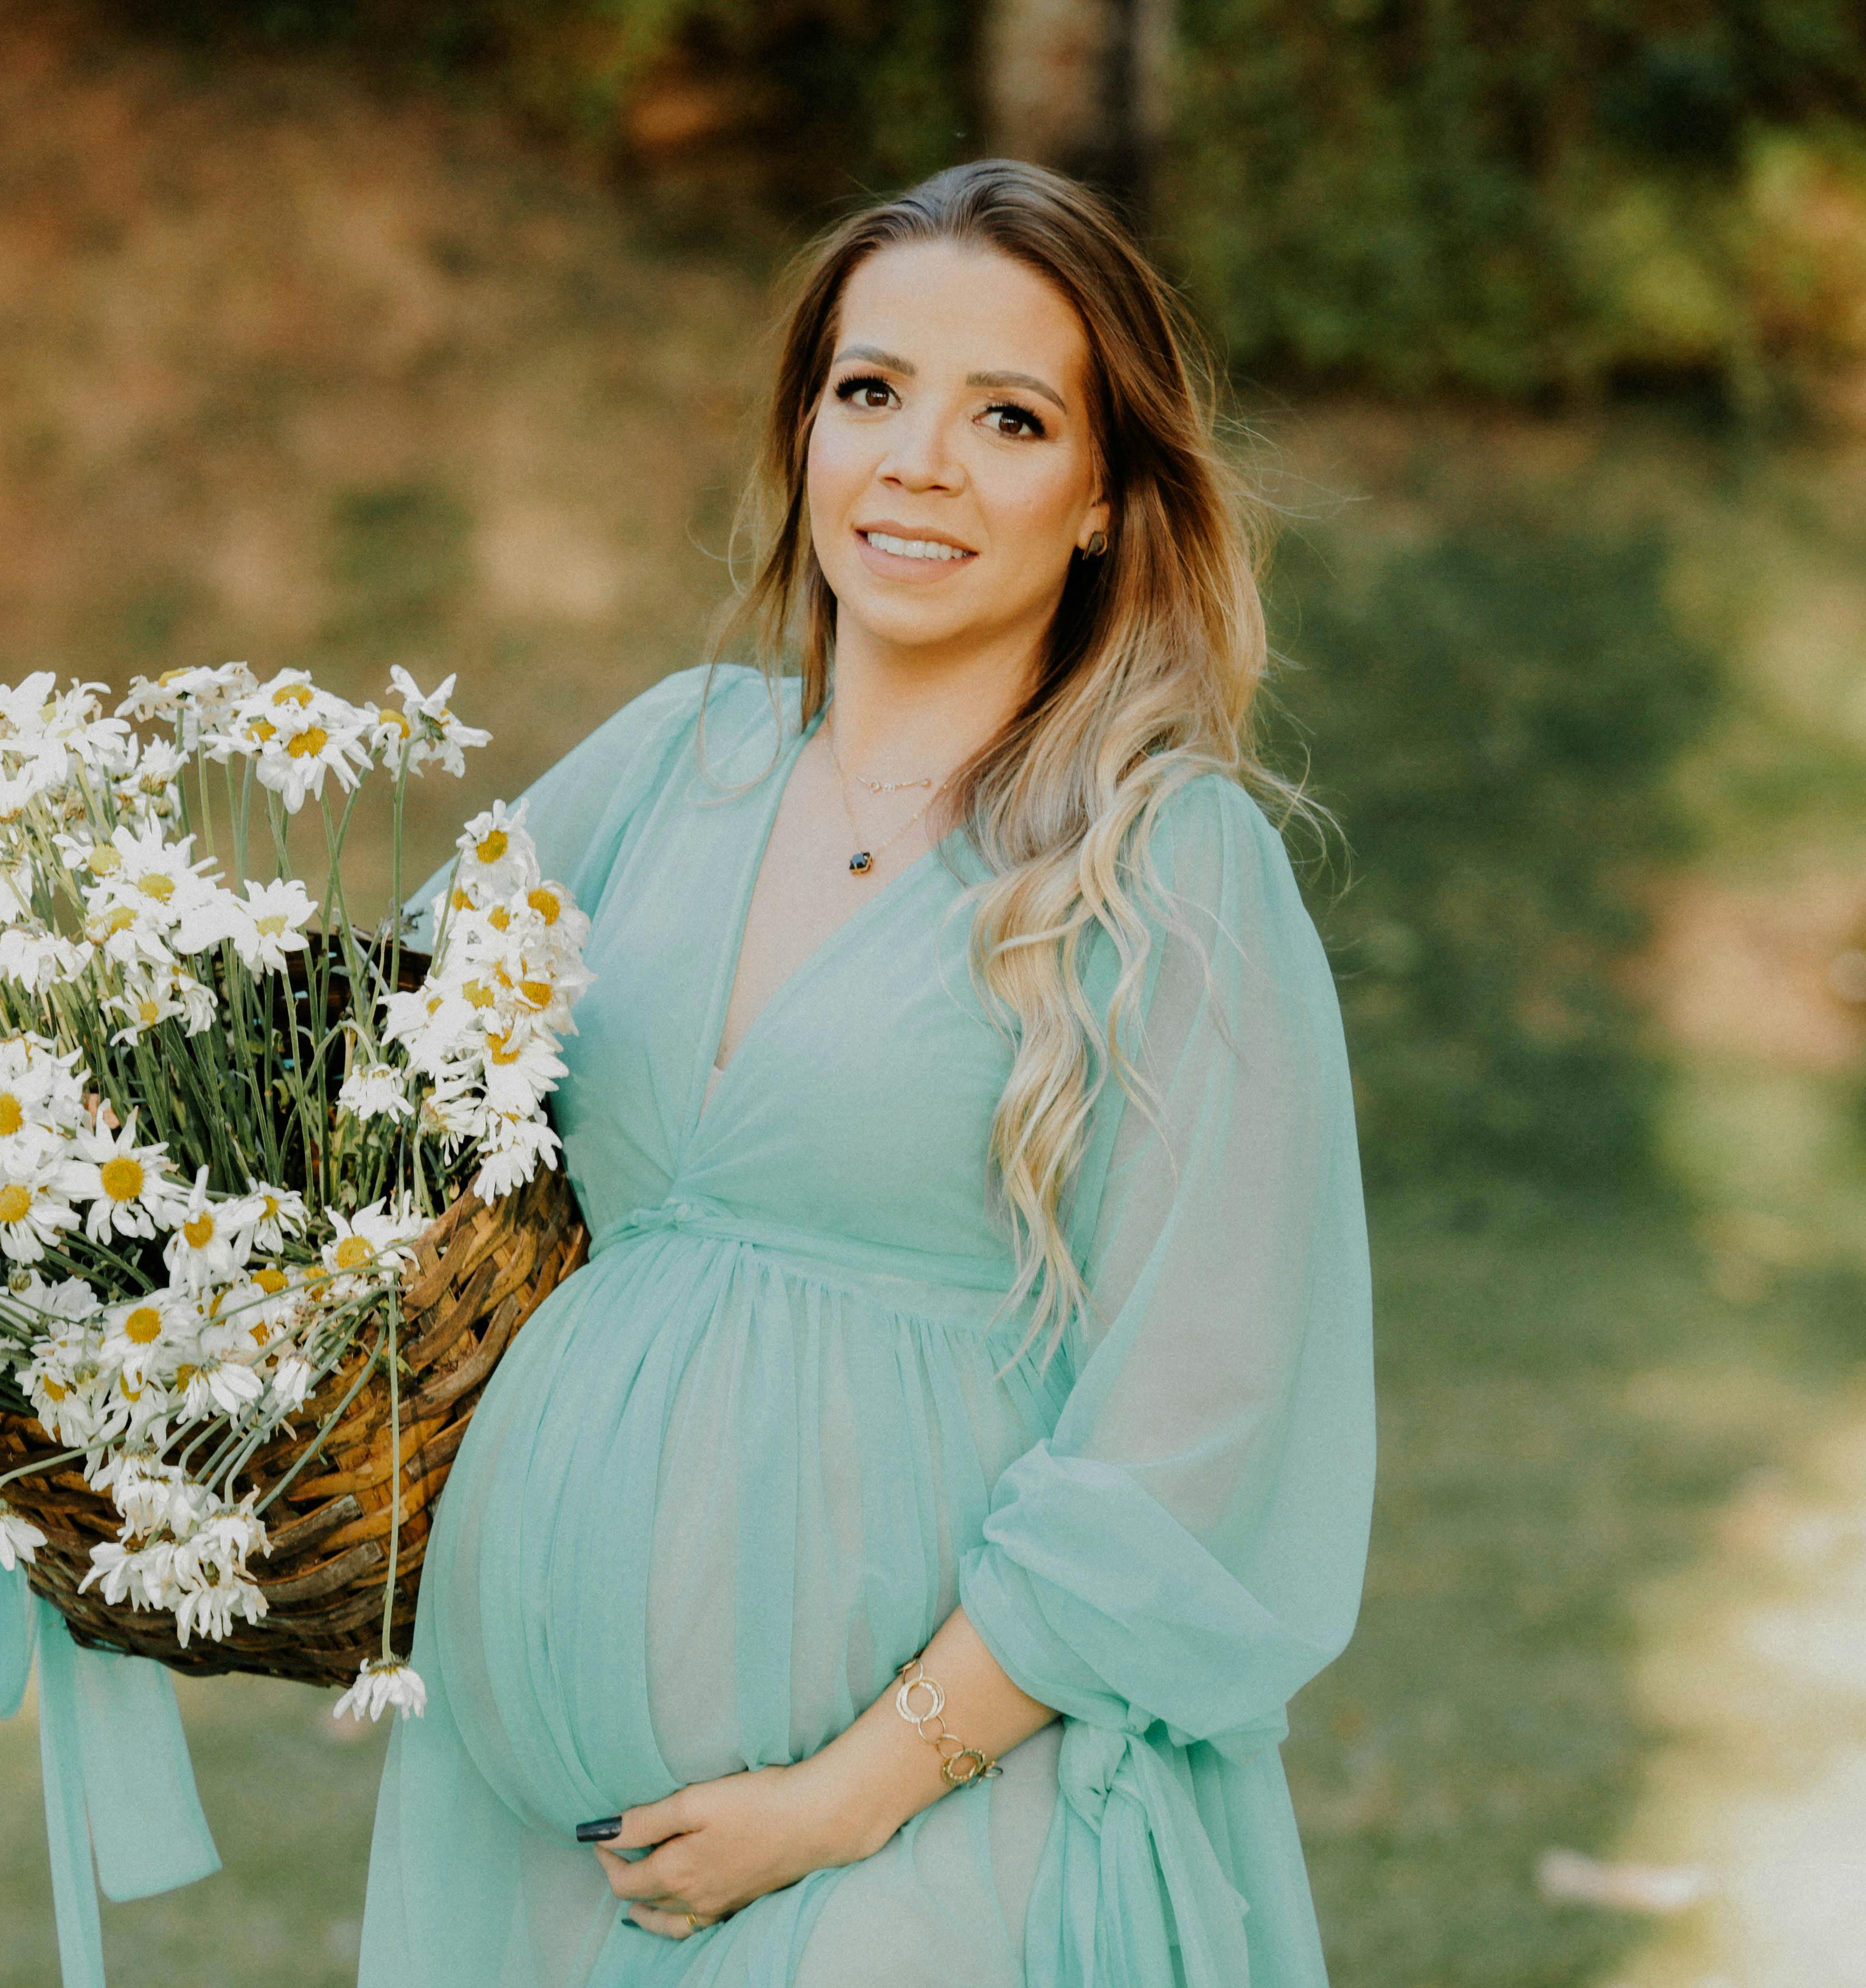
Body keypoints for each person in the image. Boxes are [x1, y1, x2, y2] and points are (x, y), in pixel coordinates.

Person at [357, 158, 1374, 1986]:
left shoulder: (1168, 869)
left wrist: (840, 1795)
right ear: (805, 433)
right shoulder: (670, 763)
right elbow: (346, 1094)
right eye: (871, 392)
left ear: (1102, 503)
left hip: (933, 1837)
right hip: (535, 1853)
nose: (918, 461)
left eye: (1009, 417)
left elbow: (1187, 1436)